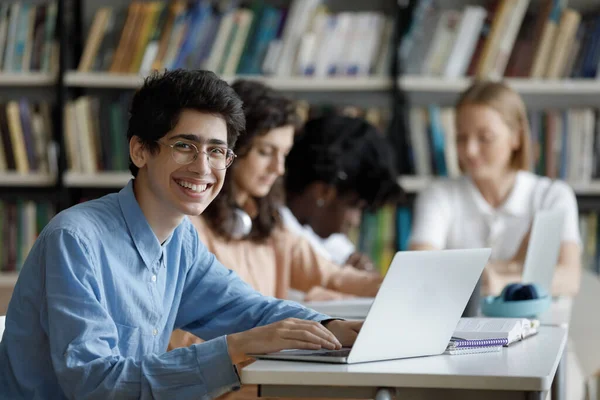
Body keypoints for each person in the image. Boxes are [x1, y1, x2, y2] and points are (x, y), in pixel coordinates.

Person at [0, 70, 362, 399]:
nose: (203, 168)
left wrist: (333, 327)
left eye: (217, 151)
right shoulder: (75, 240)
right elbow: (96, 385)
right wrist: (237, 346)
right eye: (185, 146)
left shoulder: (181, 240)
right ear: (140, 150)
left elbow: (245, 308)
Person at [409, 80, 581, 296]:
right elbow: (419, 271)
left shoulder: (553, 196)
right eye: (461, 137)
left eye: (485, 138)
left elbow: (569, 278)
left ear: (516, 137)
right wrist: (512, 265)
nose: (470, 150)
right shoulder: (438, 195)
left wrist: (501, 282)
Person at [283, 114, 404, 270]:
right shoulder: (279, 235)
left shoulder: (326, 237)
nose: (356, 221)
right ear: (323, 192)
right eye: (355, 207)